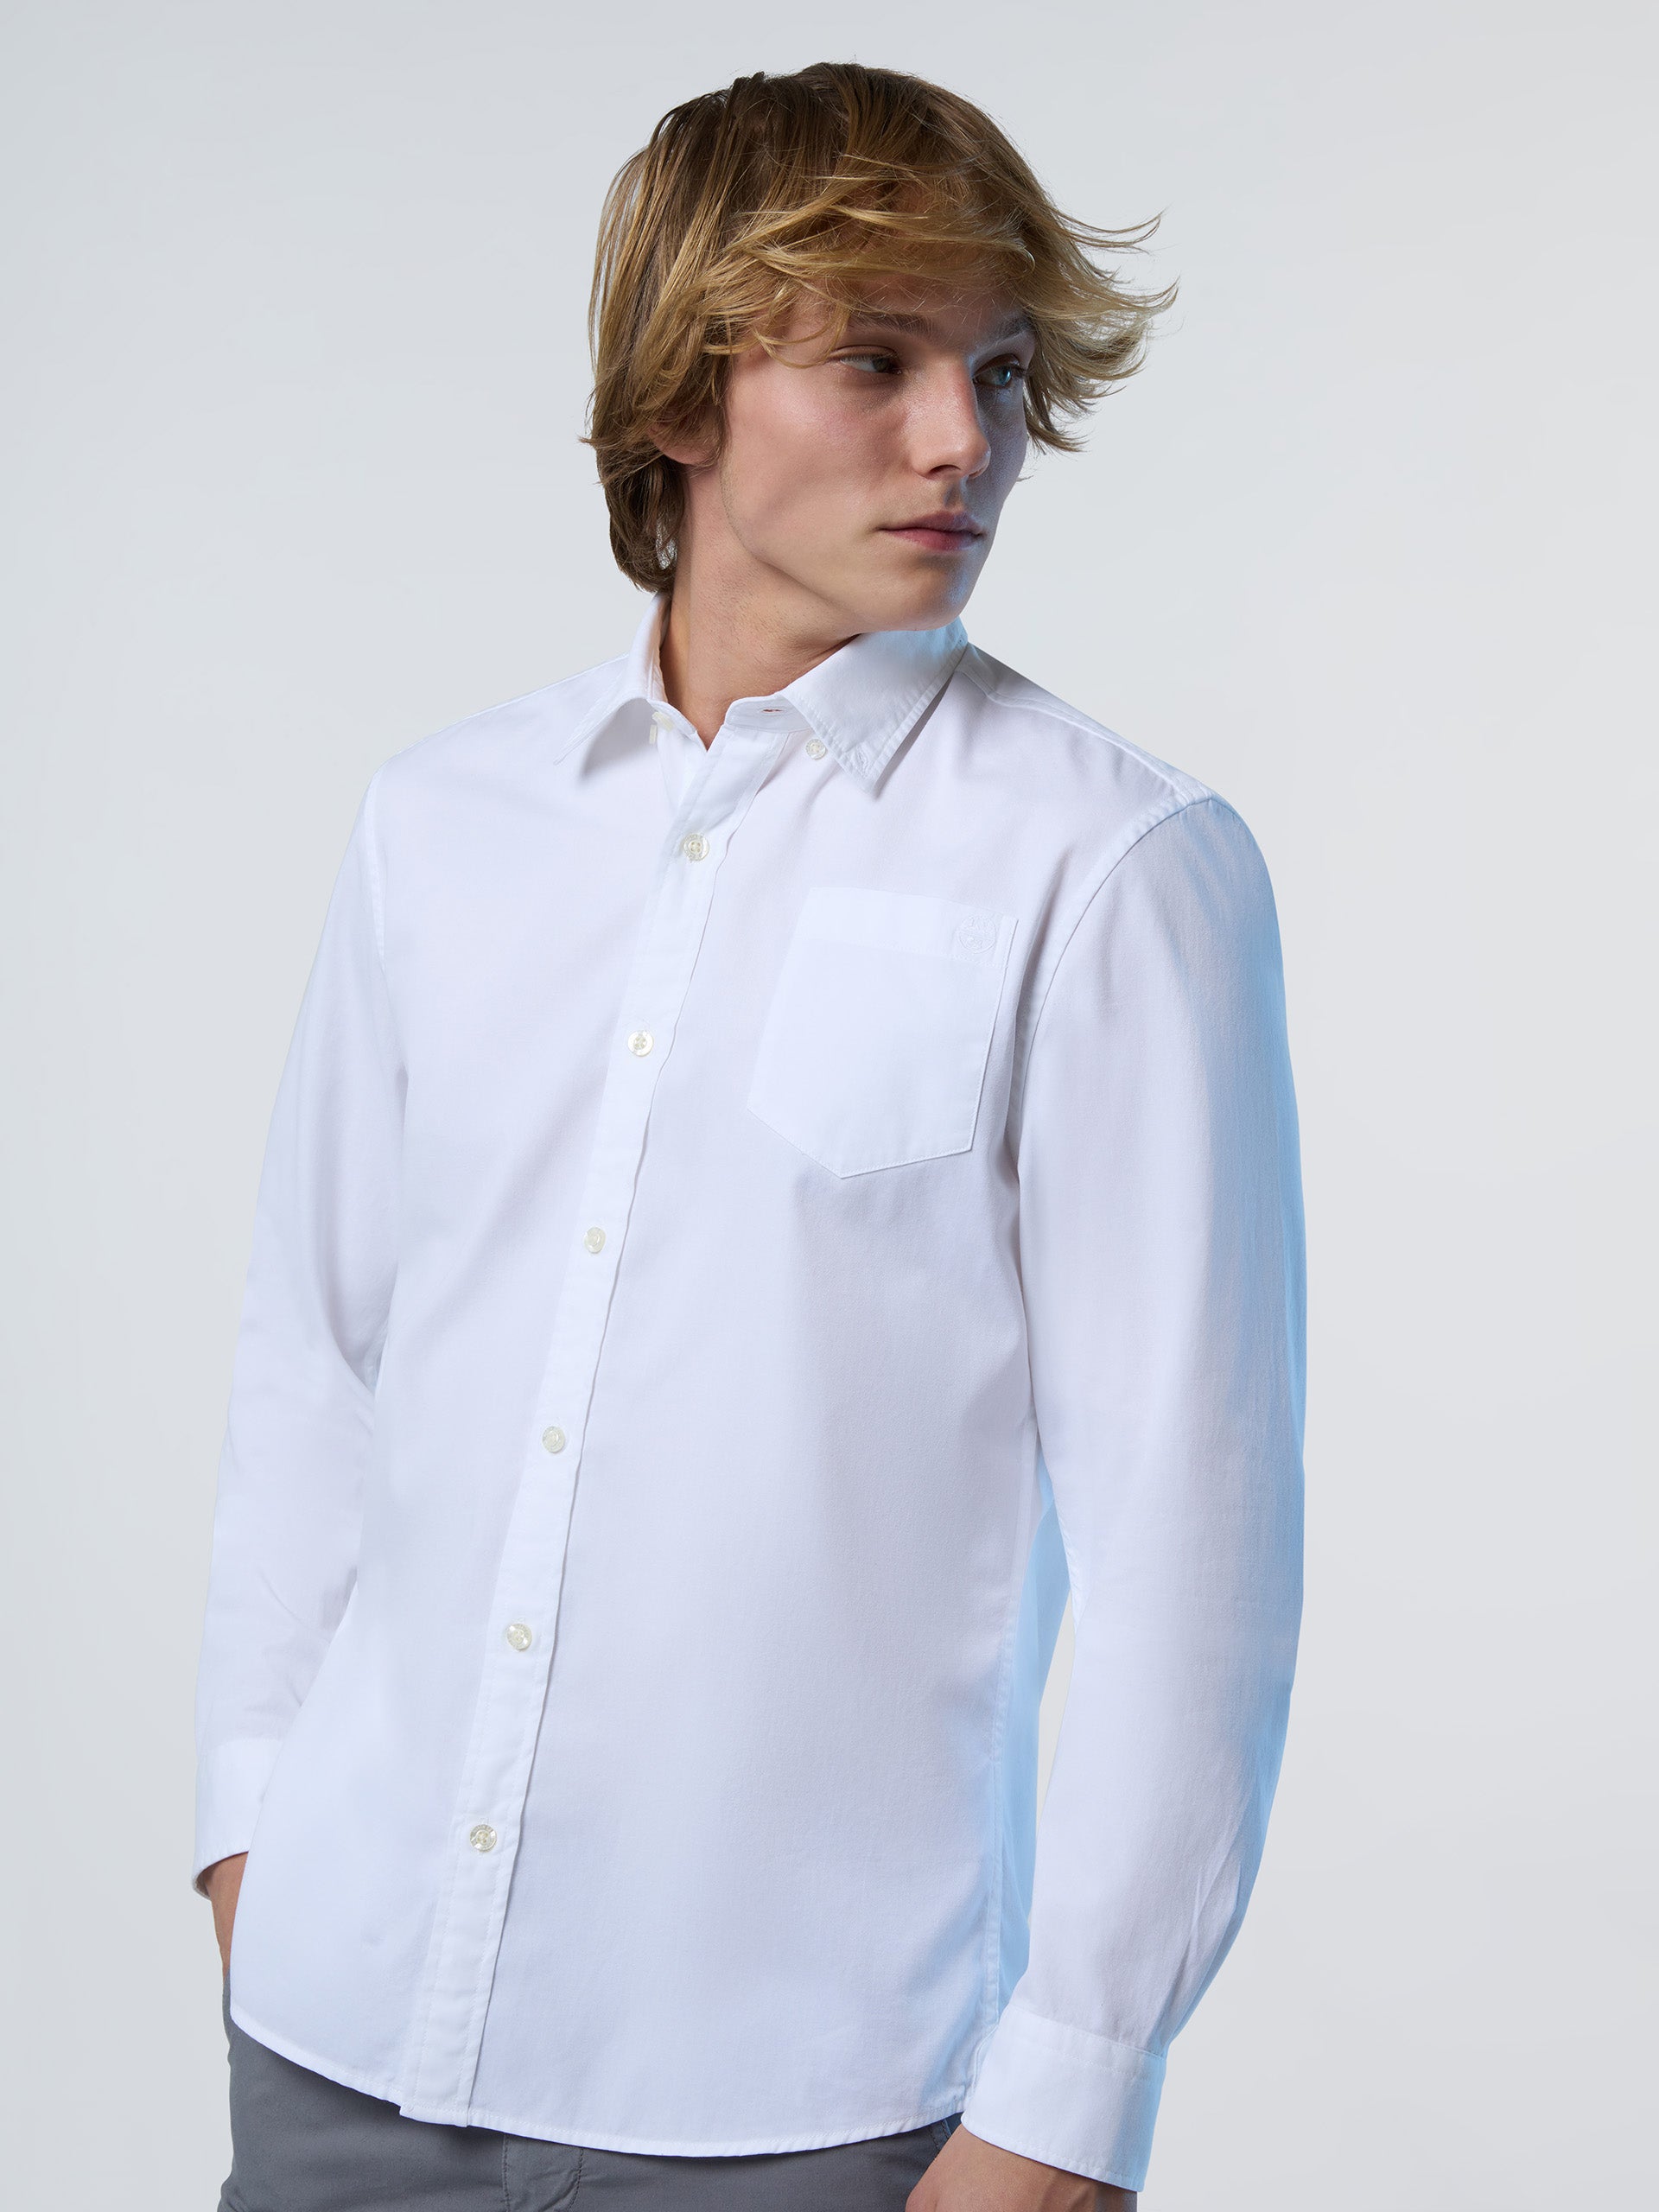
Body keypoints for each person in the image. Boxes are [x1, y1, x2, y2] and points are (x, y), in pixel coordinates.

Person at [194, 60, 1305, 2212]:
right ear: (686, 390)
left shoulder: (1112, 866)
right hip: (342, 2035)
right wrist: (254, 1826)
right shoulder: (443, 825)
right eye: (879, 360)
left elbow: (1194, 1531)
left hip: (810, 2106)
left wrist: (1066, 2106)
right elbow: (317, 1358)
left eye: (999, 369)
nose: (964, 439)